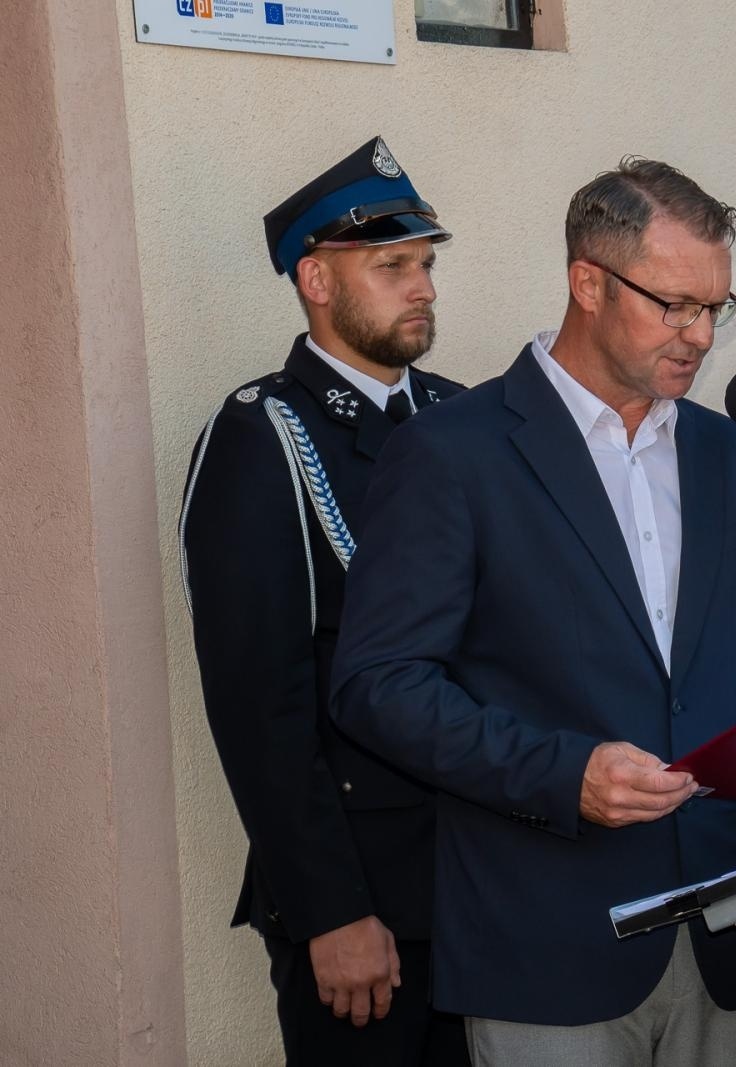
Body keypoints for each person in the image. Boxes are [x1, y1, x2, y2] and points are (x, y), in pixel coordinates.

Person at [329, 157, 736, 1065]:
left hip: (723, 936)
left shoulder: (729, 457)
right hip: (548, 948)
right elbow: (378, 686)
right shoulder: (453, 454)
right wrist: (563, 774)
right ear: (587, 283)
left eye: (715, 309)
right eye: (675, 305)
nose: (699, 335)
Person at [179, 136, 468, 1066]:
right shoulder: (263, 438)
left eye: (424, 264)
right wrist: (331, 908)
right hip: (365, 900)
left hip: (487, 886)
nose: (421, 286)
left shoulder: (466, 421)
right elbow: (259, 701)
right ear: (315, 278)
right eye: (391, 267)